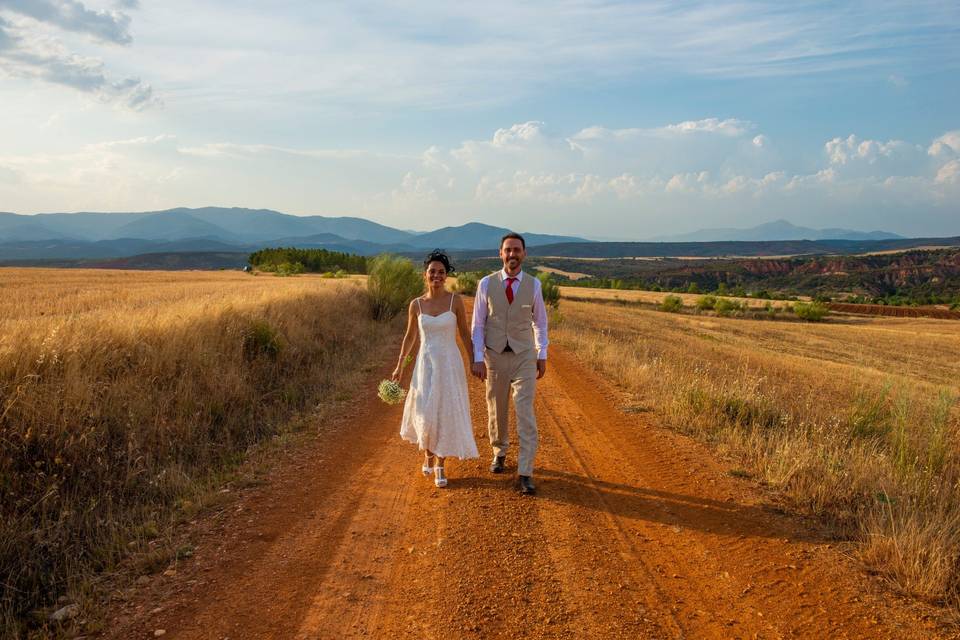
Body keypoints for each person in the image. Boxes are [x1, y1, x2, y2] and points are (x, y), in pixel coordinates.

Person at [470, 233, 548, 495]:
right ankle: (499, 452)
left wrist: (542, 353)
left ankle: (526, 471)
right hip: (494, 355)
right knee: (496, 407)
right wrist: (478, 357)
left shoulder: (534, 285)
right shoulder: (486, 284)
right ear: (500, 254)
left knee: (525, 411)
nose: (512, 255)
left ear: (524, 254)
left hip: (524, 355)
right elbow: (478, 324)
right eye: (508, 250)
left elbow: (540, 322)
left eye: (517, 250)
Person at [394, 250, 479, 488]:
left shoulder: (455, 301)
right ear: (425, 274)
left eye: (441, 272)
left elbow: (464, 333)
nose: (437, 276)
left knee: (444, 411)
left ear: (447, 276)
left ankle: (440, 465)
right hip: (425, 365)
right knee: (424, 411)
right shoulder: (416, 304)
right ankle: (428, 454)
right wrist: (400, 366)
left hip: (449, 365)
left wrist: (474, 360)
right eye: (433, 272)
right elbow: (410, 337)